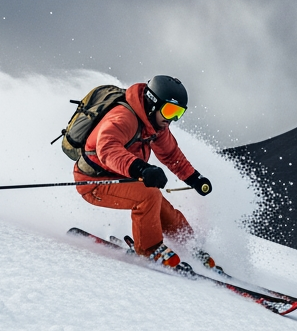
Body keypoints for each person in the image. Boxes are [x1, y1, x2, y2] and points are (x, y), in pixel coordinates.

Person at [72, 75, 211, 268]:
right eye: (169, 110)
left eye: (178, 113)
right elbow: (108, 149)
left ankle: (191, 246)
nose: (172, 119)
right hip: (95, 181)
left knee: (160, 205)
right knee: (149, 196)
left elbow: (171, 155)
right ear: (153, 103)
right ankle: (150, 250)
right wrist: (141, 168)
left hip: (121, 176)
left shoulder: (155, 125)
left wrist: (194, 178)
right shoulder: (123, 117)